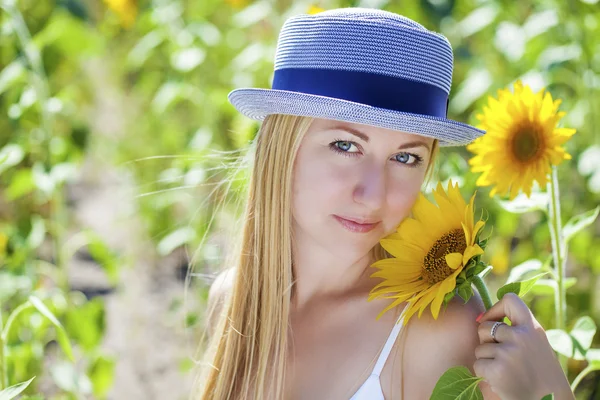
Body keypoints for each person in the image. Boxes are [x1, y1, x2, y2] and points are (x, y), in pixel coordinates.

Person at [195, 7, 574, 400]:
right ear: (281, 148)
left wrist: (548, 392)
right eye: (346, 145)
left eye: (406, 157)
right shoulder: (233, 302)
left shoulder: (435, 329)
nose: (373, 196)